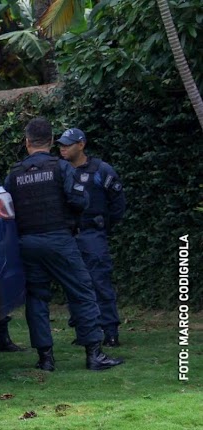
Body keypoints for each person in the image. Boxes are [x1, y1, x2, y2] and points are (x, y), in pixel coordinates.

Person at [3, 118, 123, 372]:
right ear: (50, 141)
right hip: (59, 239)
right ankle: (94, 354)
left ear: (27, 142)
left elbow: (7, 209)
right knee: (82, 291)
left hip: (28, 243)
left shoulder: (14, 174)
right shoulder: (61, 168)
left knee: (37, 298)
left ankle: (45, 359)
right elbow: (80, 201)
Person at [58, 128, 126, 347]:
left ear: (81, 144)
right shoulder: (60, 170)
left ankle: (110, 331)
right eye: (61, 144)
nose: (63, 148)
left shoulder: (101, 170)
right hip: (69, 235)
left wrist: (103, 227)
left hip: (92, 233)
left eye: (67, 144)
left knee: (99, 281)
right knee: (74, 285)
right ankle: (84, 331)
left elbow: (117, 204)